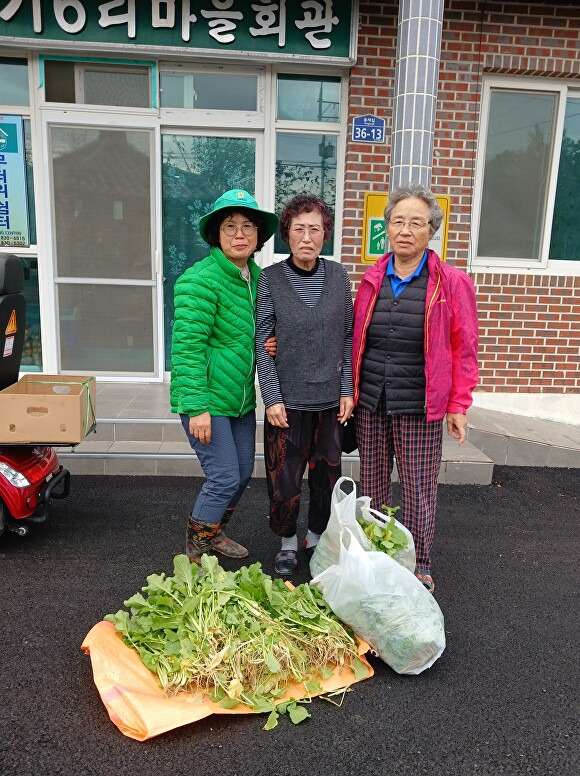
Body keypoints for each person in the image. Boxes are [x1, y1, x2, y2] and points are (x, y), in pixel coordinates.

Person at [352, 183, 479, 593]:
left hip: (421, 405)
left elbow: (465, 349)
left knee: (419, 489)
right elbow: (352, 336)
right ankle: (374, 555)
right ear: (386, 227)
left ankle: (419, 562)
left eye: (417, 223)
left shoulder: (451, 283)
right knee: (370, 487)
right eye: (398, 221)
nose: (405, 230)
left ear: (431, 232)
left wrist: (459, 405)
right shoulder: (371, 278)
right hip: (372, 400)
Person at [170, 189, 278, 564]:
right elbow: (187, 350)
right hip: (207, 400)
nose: (240, 234)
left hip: (241, 400)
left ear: (258, 237)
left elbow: (255, 332)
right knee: (224, 478)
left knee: (243, 472)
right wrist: (197, 407)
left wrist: (271, 342)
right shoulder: (198, 281)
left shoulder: (257, 279)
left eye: (248, 226)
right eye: (230, 226)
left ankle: (214, 534)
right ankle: (194, 556)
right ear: (216, 233)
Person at [256, 194, 354, 576]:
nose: (307, 236)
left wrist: (347, 389)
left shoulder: (339, 276)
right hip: (288, 403)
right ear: (287, 235)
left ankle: (315, 536)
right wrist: (272, 397)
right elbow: (262, 341)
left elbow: (347, 338)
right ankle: (286, 542)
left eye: (315, 228)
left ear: (325, 234)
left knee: (327, 477)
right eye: (299, 229)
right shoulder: (271, 279)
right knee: (284, 478)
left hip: (330, 400)